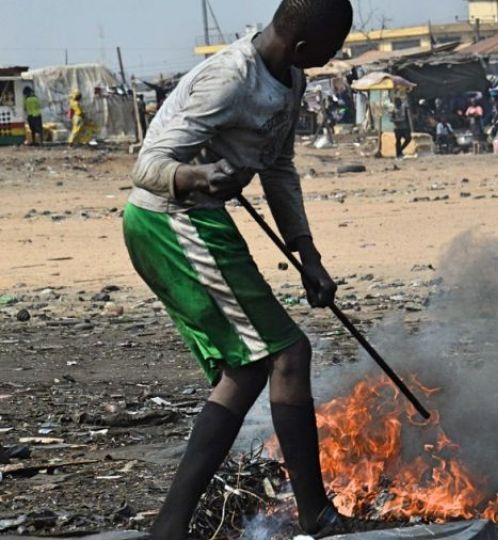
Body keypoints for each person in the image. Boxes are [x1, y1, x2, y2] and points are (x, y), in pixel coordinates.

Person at [122, 1, 364, 537]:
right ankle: (316, 516)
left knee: (249, 367)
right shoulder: (229, 80)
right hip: (170, 222)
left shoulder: (292, 79)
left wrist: (309, 256)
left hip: (200, 222)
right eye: (334, 47)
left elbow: (277, 168)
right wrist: (197, 177)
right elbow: (146, 166)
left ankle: (170, 525)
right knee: (288, 352)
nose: (337, 56)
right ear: (304, 47)